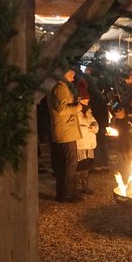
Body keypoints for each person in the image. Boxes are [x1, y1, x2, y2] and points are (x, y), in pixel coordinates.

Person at [48, 68, 83, 202]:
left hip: (65, 130)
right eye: (71, 75)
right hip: (66, 131)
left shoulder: (59, 86)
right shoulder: (61, 87)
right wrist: (77, 108)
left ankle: (64, 193)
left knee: (65, 163)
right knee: (70, 163)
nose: (73, 78)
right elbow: (61, 109)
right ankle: (67, 193)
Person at [76, 90, 99, 195]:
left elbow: (94, 121)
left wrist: (94, 127)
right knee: (80, 165)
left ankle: (85, 186)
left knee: (87, 164)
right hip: (80, 142)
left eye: (87, 102)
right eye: (84, 101)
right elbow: (76, 126)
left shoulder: (88, 111)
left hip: (89, 142)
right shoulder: (76, 112)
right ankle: (78, 187)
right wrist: (87, 129)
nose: (86, 103)